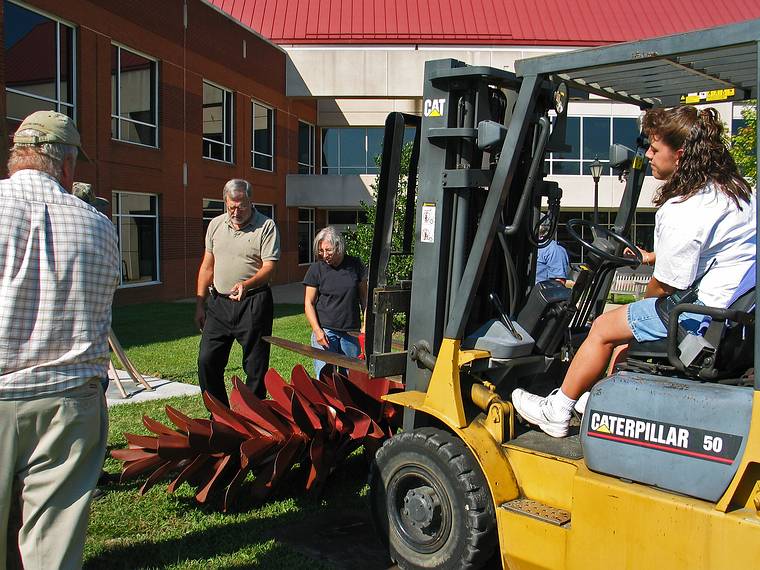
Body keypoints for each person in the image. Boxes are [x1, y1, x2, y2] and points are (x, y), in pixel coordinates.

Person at [513, 106, 756, 438]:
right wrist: (651, 255)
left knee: (601, 328)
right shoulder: (738, 192)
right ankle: (598, 405)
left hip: (700, 321)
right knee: (620, 345)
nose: (650, 155)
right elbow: (711, 248)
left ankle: (557, 410)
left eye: (656, 149)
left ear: (681, 154)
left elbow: (666, 287)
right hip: (732, 316)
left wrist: (640, 300)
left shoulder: (683, 208)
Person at [0, 111, 119, 569]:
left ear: (17, 155)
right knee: (53, 550)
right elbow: (102, 304)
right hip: (70, 401)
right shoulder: (98, 225)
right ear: (66, 164)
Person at [195, 179, 280, 405]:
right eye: (231, 206)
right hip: (219, 304)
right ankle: (219, 413)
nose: (236, 211)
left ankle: (253, 416)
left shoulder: (266, 226)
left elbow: (269, 268)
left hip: (253, 302)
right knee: (207, 360)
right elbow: (207, 266)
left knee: (255, 366)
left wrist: (247, 284)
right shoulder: (215, 225)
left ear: (251, 201)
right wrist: (200, 303)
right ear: (225, 202)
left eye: (241, 206)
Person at [304, 226, 368, 378]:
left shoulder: (355, 265)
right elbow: (308, 303)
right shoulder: (316, 270)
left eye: (328, 250)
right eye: (321, 251)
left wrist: (365, 326)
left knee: (352, 378)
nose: (324, 255)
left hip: (351, 332)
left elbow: (365, 299)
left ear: (339, 247)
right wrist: (318, 331)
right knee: (326, 377)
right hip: (326, 331)